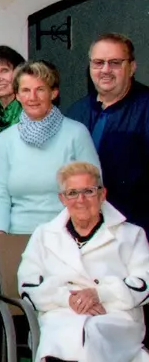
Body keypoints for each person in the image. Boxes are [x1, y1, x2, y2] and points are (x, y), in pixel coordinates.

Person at [19, 161, 149, 362]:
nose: (81, 199)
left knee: (95, 333)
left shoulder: (130, 234)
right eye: (72, 193)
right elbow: (27, 281)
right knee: (58, 338)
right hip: (64, 310)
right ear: (62, 199)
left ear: (102, 193)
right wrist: (67, 297)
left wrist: (101, 293)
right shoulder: (45, 235)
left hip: (116, 314)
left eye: (88, 191)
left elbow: (143, 281)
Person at [0, 61, 99, 234]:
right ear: (17, 95)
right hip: (17, 238)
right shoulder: (5, 140)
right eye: (25, 90)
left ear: (54, 93)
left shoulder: (76, 133)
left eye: (40, 89)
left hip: (68, 236)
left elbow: (94, 187)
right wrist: (1, 234)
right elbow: (0, 192)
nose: (32, 97)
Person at [66, 34, 149, 230]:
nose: (105, 70)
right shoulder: (76, 112)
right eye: (98, 63)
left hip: (137, 231)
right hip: (87, 230)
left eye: (115, 63)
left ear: (132, 67)